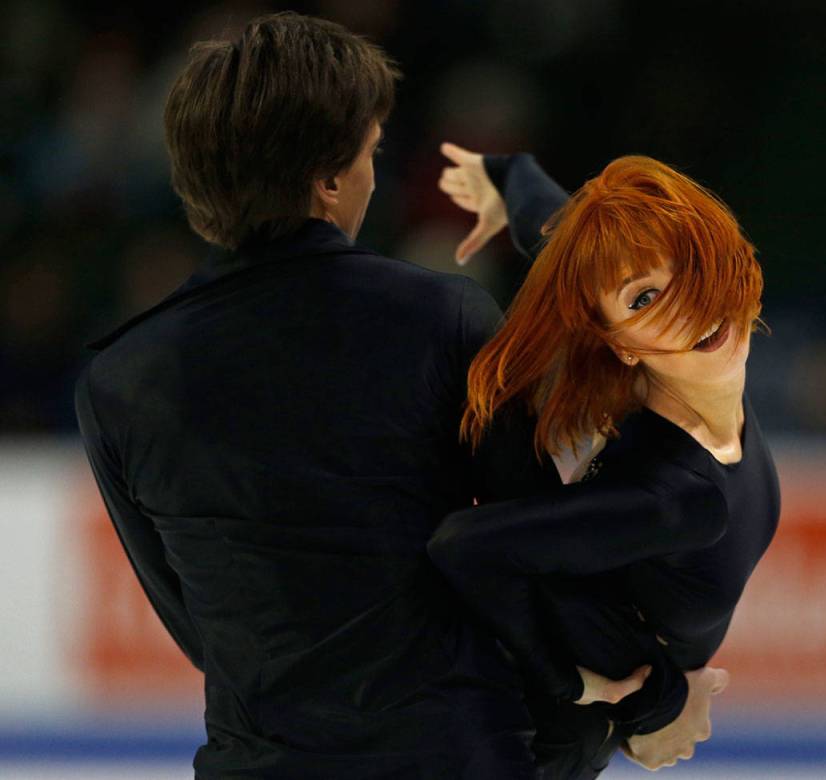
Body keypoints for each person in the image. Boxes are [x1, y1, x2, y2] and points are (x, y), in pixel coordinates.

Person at [74, 13, 672, 778]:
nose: (372, 175)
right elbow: (543, 557)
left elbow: (200, 628)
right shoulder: (441, 320)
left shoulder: (118, 381)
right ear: (327, 181)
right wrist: (655, 698)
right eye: (369, 154)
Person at [429, 144, 781, 777]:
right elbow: (464, 546)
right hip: (556, 740)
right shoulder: (677, 497)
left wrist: (504, 175)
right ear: (620, 346)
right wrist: (595, 690)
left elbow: (556, 226)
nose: (687, 307)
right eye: (644, 301)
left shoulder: (699, 367)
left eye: (686, 269)